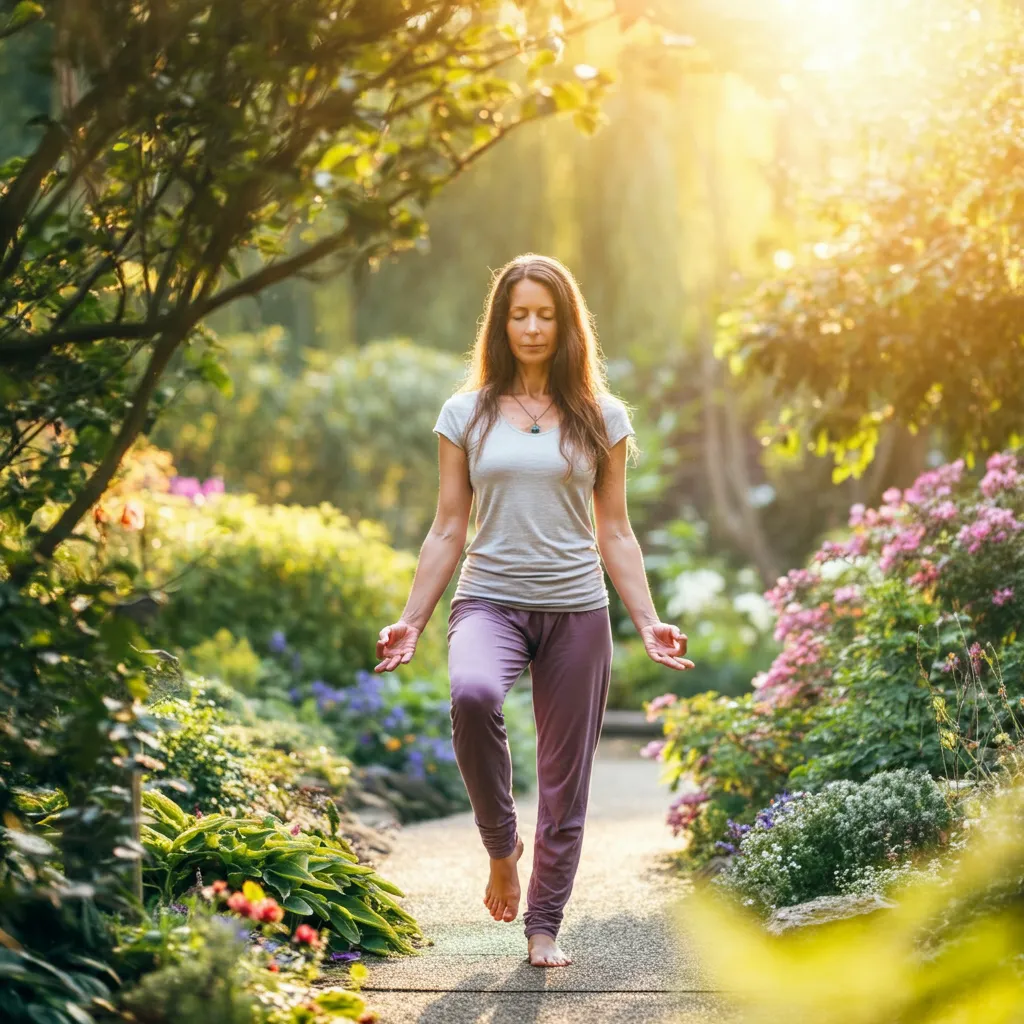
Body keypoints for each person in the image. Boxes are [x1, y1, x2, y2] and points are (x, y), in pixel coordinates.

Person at [373, 253, 693, 968]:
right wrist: (412, 619)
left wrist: (646, 620)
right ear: (500, 322)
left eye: (546, 314)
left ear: (567, 323)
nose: (532, 326)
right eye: (519, 313)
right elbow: (448, 527)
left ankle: (543, 926)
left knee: (564, 781)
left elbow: (615, 529)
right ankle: (500, 846)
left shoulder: (601, 416)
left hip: (577, 610)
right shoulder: (465, 413)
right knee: (473, 695)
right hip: (489, 599)